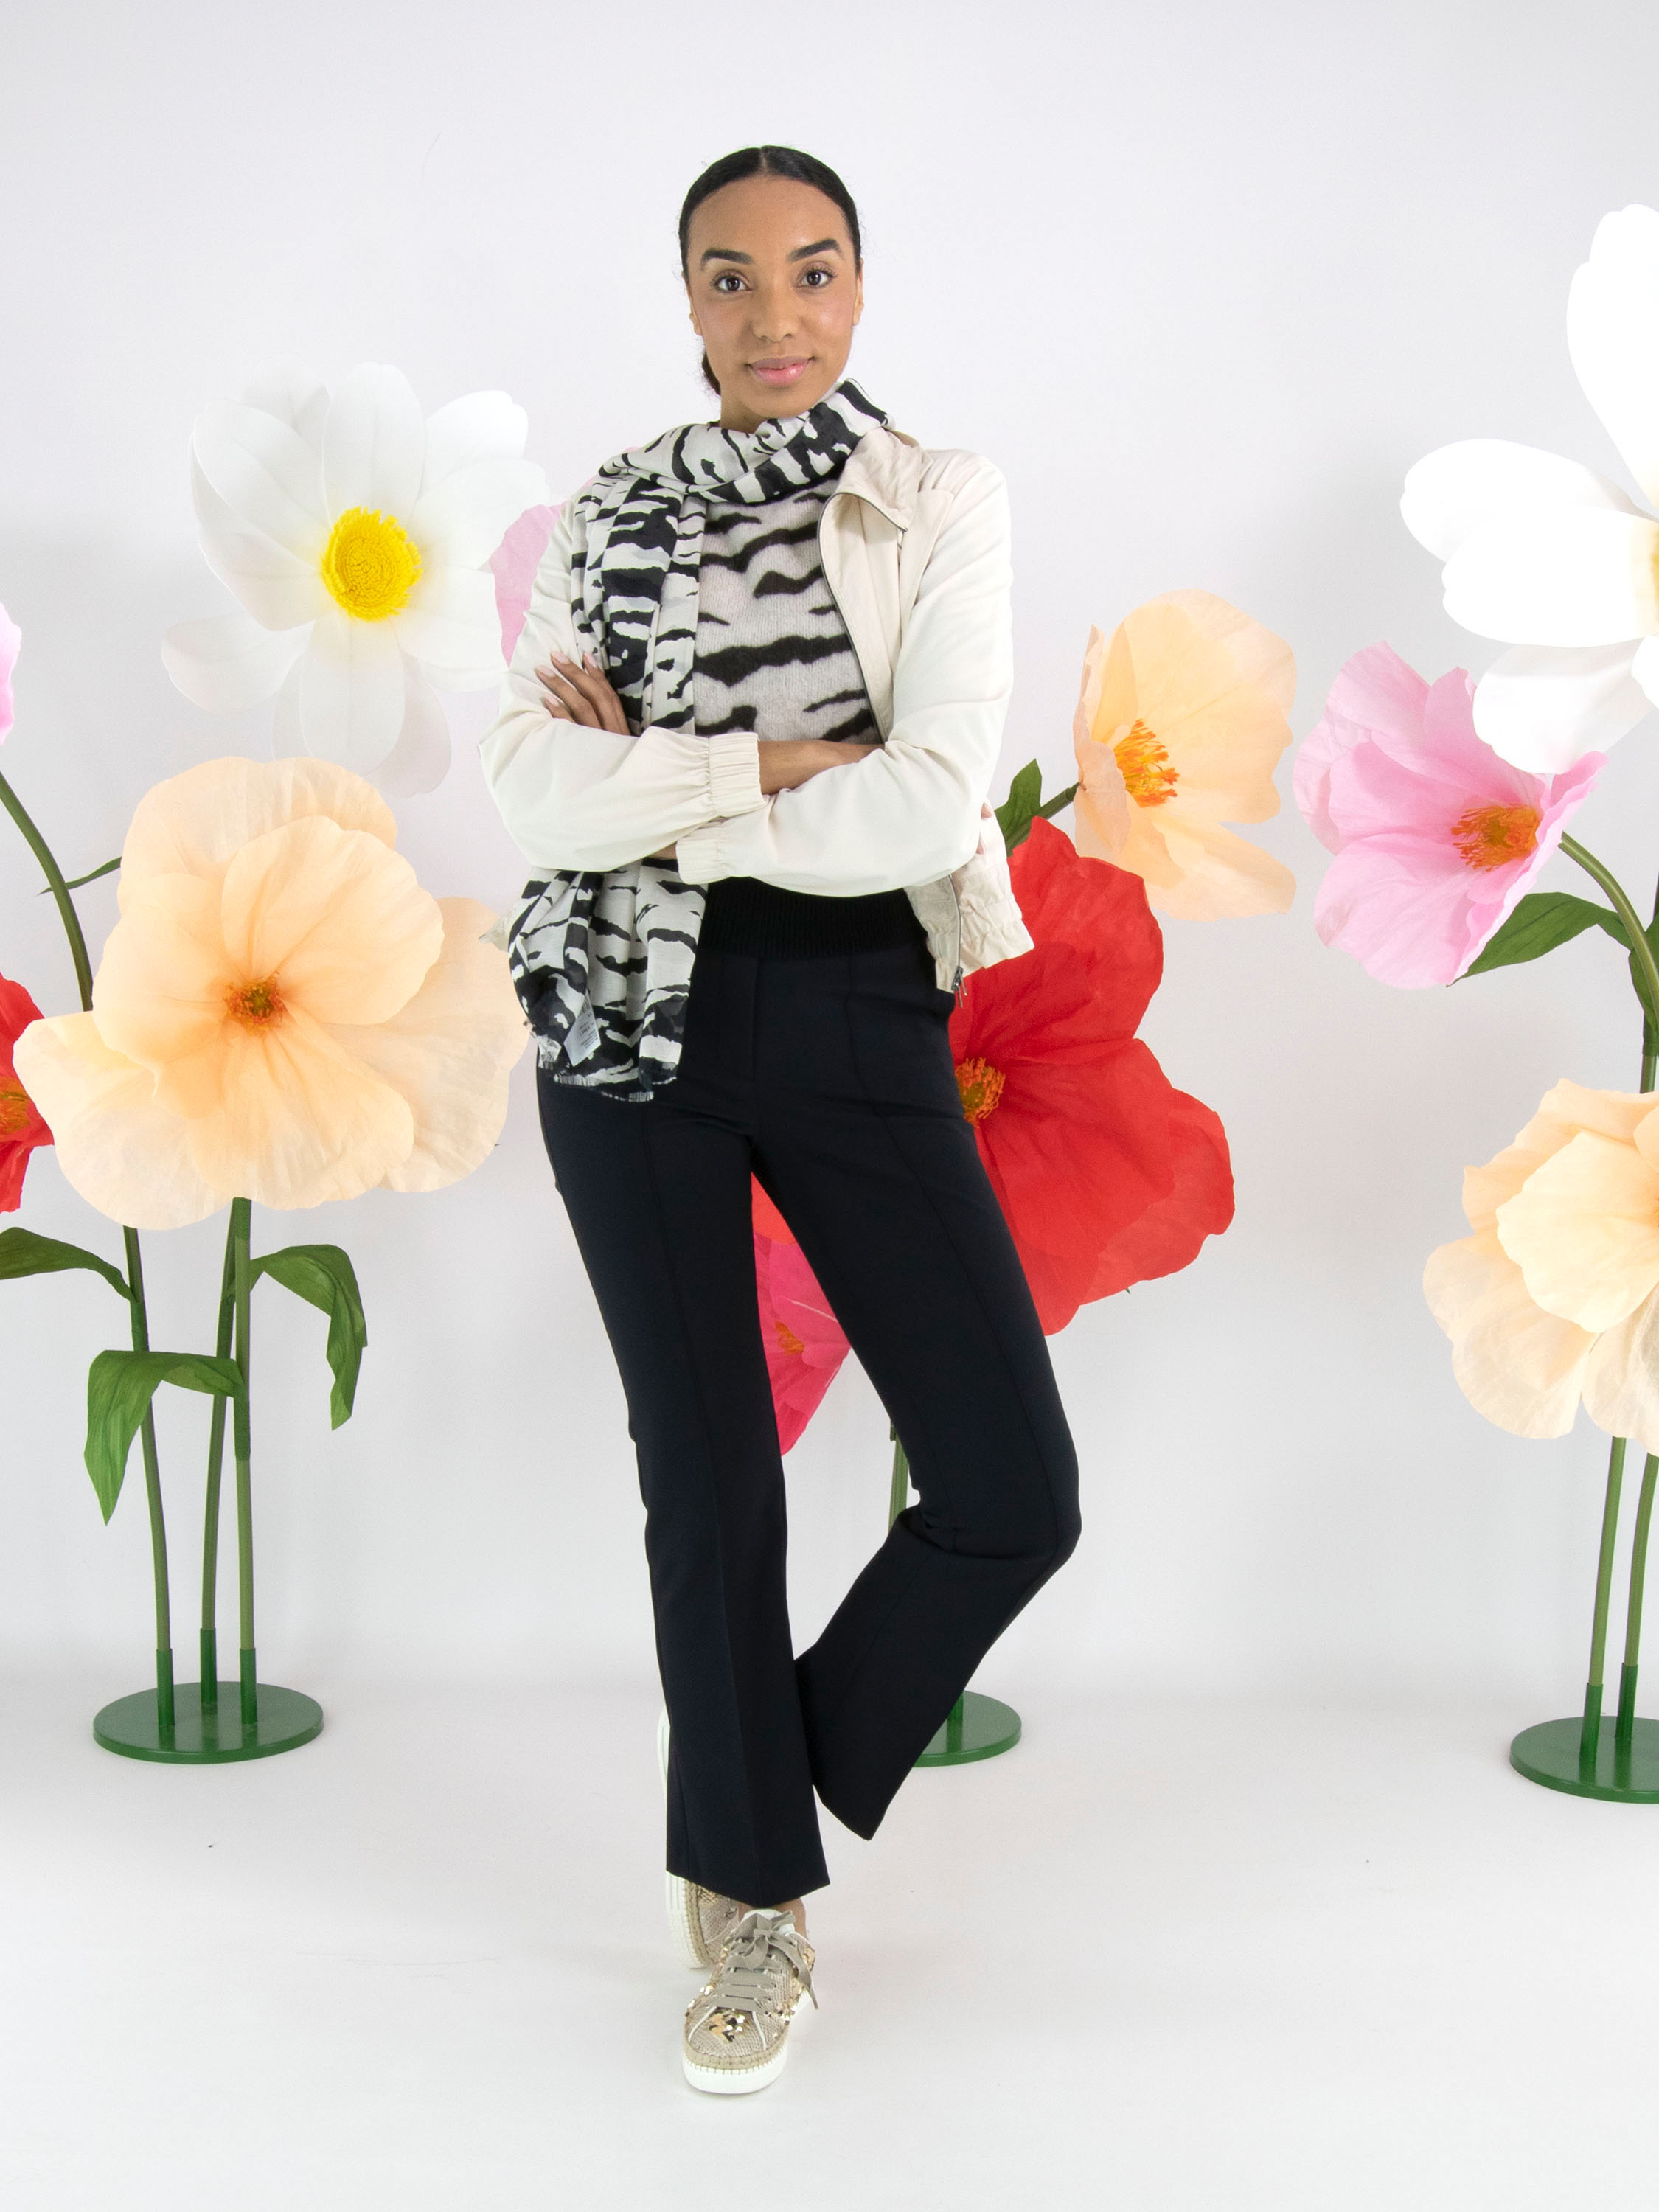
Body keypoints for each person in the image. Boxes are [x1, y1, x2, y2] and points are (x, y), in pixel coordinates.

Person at [480, 144, 1081, 2096]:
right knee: (711, 1476)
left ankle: (753, 1788)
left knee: (1010, 1489)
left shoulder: (933, 498)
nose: (774, 315)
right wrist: (780, 758)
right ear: (687, 300)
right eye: (730, 277)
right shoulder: (608, 512)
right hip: (618, 1013)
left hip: (852, 1009)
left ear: (861, 287)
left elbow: (926, 804)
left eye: (812, 271)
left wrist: (665, 781)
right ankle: (748, 1900)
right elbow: (528, 795)